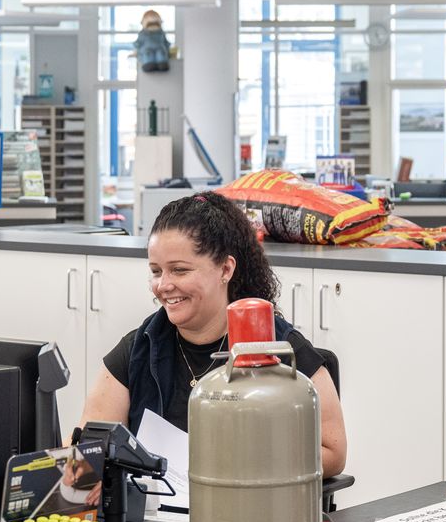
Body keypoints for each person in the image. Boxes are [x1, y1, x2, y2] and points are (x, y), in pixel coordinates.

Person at [78, 191, 347, 478]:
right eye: (156, 271)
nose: (164, 285)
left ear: (225, 269)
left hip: (247, 509)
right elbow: (87, 452)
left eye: (179, 271)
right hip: (155, 517)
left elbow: (332, 452)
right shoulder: (139, 347)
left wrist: (242, 465)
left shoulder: (279, 346)